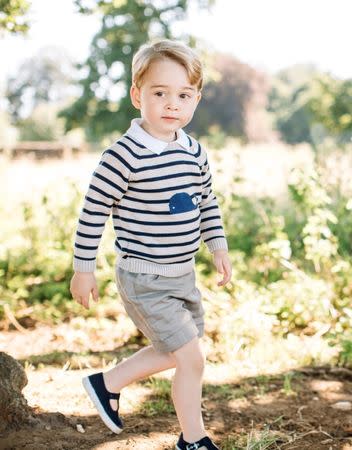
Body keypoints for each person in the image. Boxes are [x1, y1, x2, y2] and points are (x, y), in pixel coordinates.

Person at [70, 39, 232, 450]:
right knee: (191, 358)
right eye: (160, 93)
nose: (172, 104)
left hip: (183, 275)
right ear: (137, 95)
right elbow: (93, 211)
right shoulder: (123, 155)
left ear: (196, 98)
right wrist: (83, 267)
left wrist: (218, 246)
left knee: (176, 353)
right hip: (144, 275)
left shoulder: (194, 152)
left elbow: (207, 202)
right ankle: (193, 441)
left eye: (183, 95)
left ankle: (106, 383)